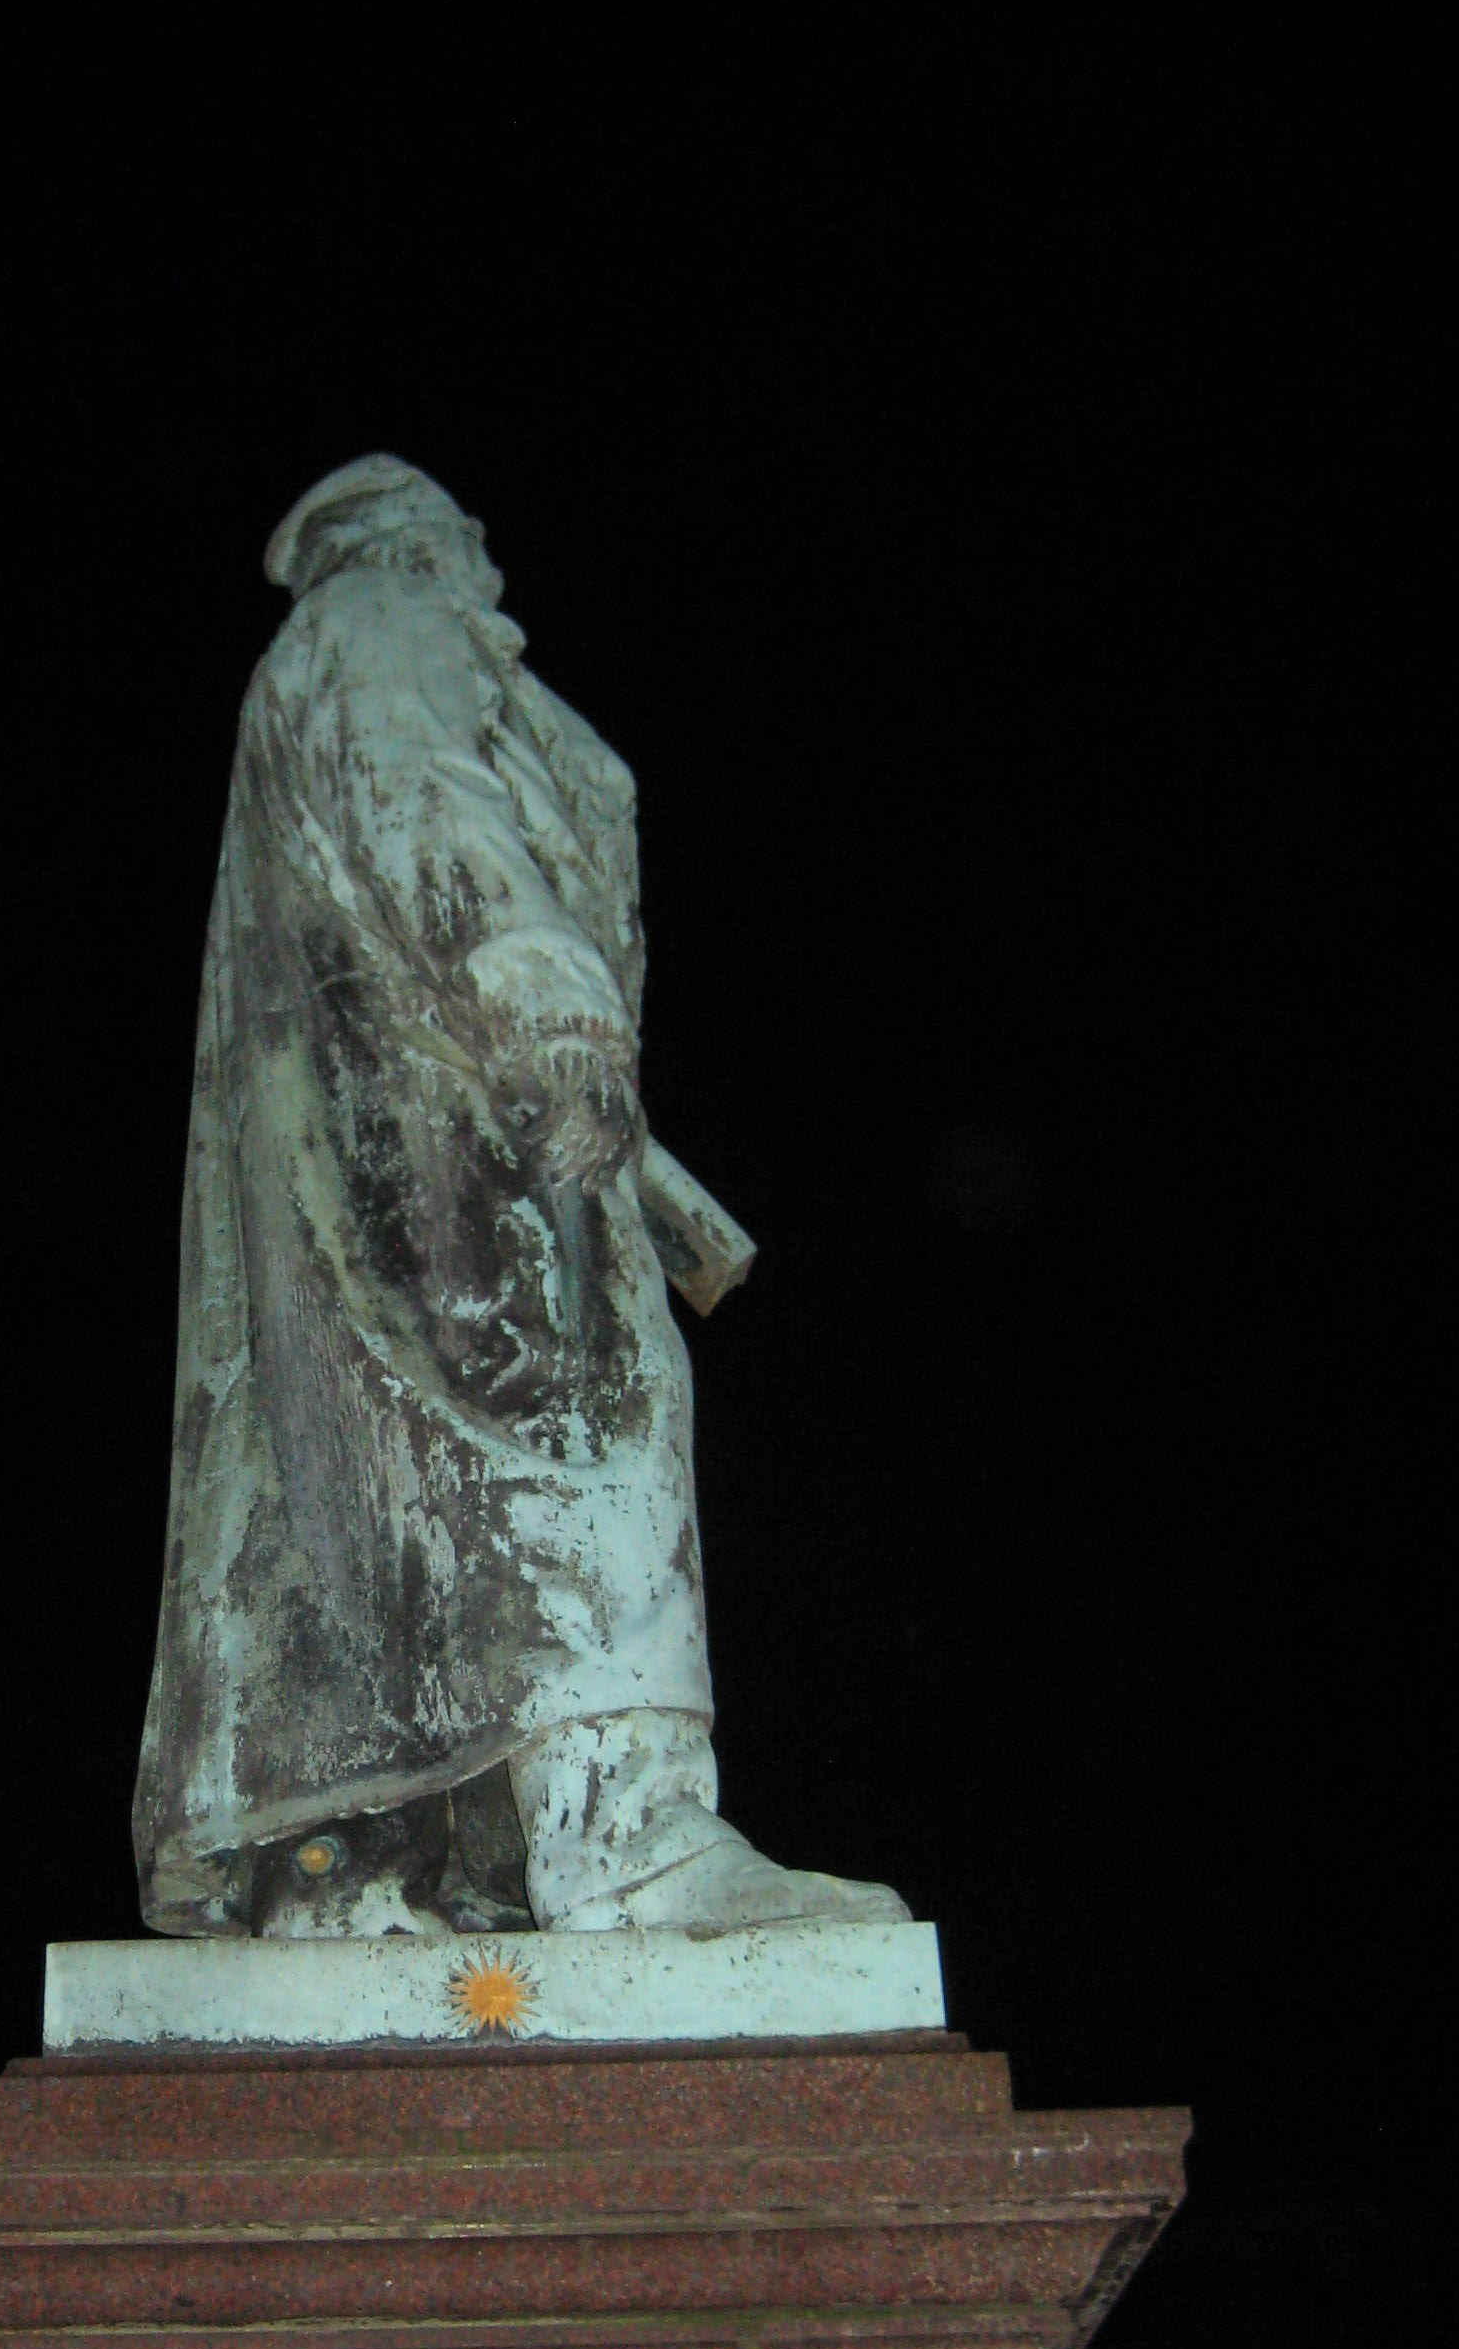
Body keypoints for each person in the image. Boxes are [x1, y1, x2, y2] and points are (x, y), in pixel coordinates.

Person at [133, 455, 904, 1940]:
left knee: (376, 1509)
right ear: (420, 537)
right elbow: (434, 814)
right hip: (461, 1127)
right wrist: (552, 1017)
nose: (485, 560)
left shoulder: (325, 651)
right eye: (464, 532)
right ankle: (627, 1834)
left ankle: (363, 1871)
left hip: (380, 1141)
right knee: (583, 1436)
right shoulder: (383, 624)